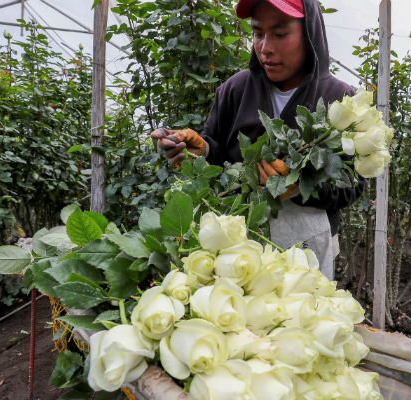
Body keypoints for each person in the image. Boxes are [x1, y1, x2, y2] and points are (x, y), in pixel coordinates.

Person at [151, 0, 367, 279]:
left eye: (280, 34)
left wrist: (300, 184)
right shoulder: (235, 90)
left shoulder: (341, 102)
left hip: (305, 251)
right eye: (258, 33)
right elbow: (218, 152)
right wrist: (203, 151)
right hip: (235, 247)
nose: (266, 47)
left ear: (309, 33)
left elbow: (352, 184)